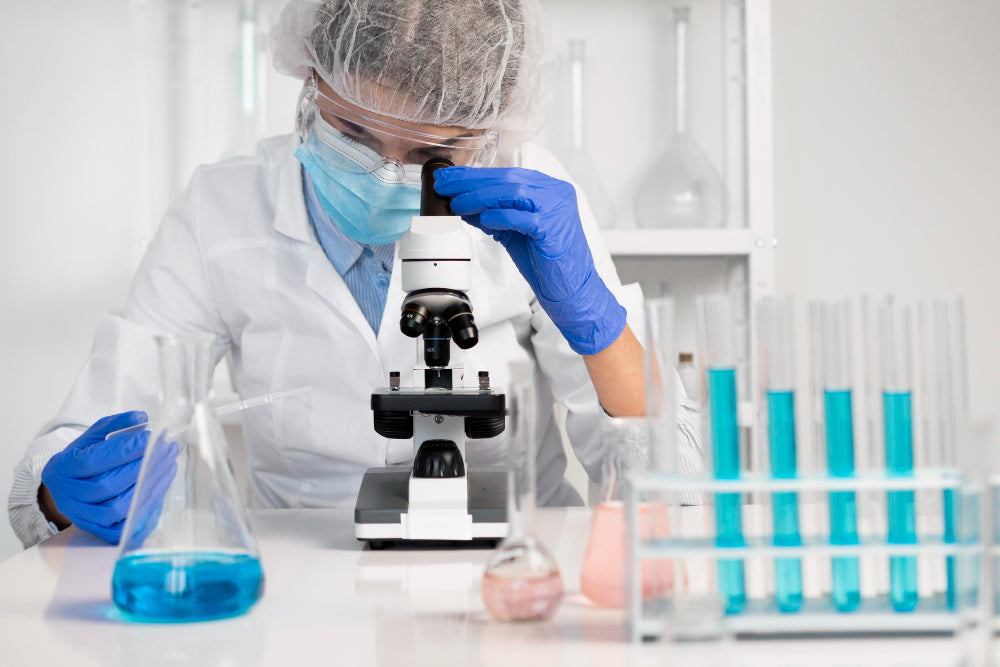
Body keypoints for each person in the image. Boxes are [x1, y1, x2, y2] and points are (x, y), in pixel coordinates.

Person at [8, 0, 701, 548]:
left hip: (512, 563)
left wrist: (596, 323)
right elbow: (51, 480)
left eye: (431, 154)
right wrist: (64, 490)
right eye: (354, 134)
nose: (386, 175)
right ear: (311, 83)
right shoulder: (221, 209)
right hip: (297, 586)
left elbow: (681, 488)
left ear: (489, 133)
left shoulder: (531, 200)